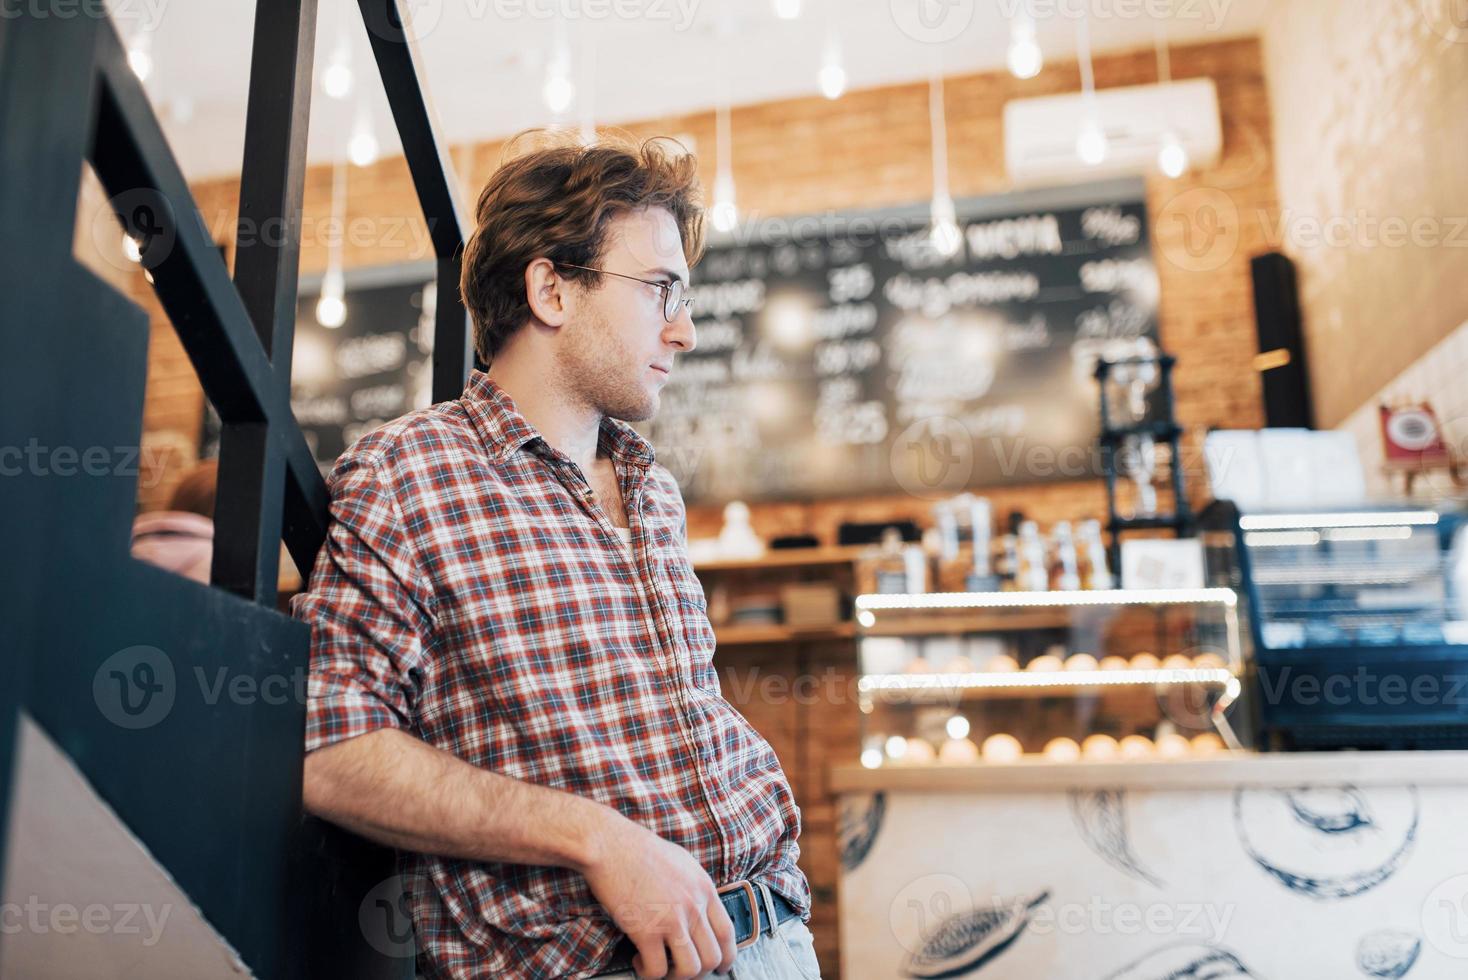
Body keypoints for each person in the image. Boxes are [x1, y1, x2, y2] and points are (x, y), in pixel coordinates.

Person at [293, 135, 816, 980]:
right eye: (659, 291)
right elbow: (330, 748)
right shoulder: (407, 475)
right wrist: (599, 842)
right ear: (550, 290)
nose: (683, 331)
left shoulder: (654, 490)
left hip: (774, 936)